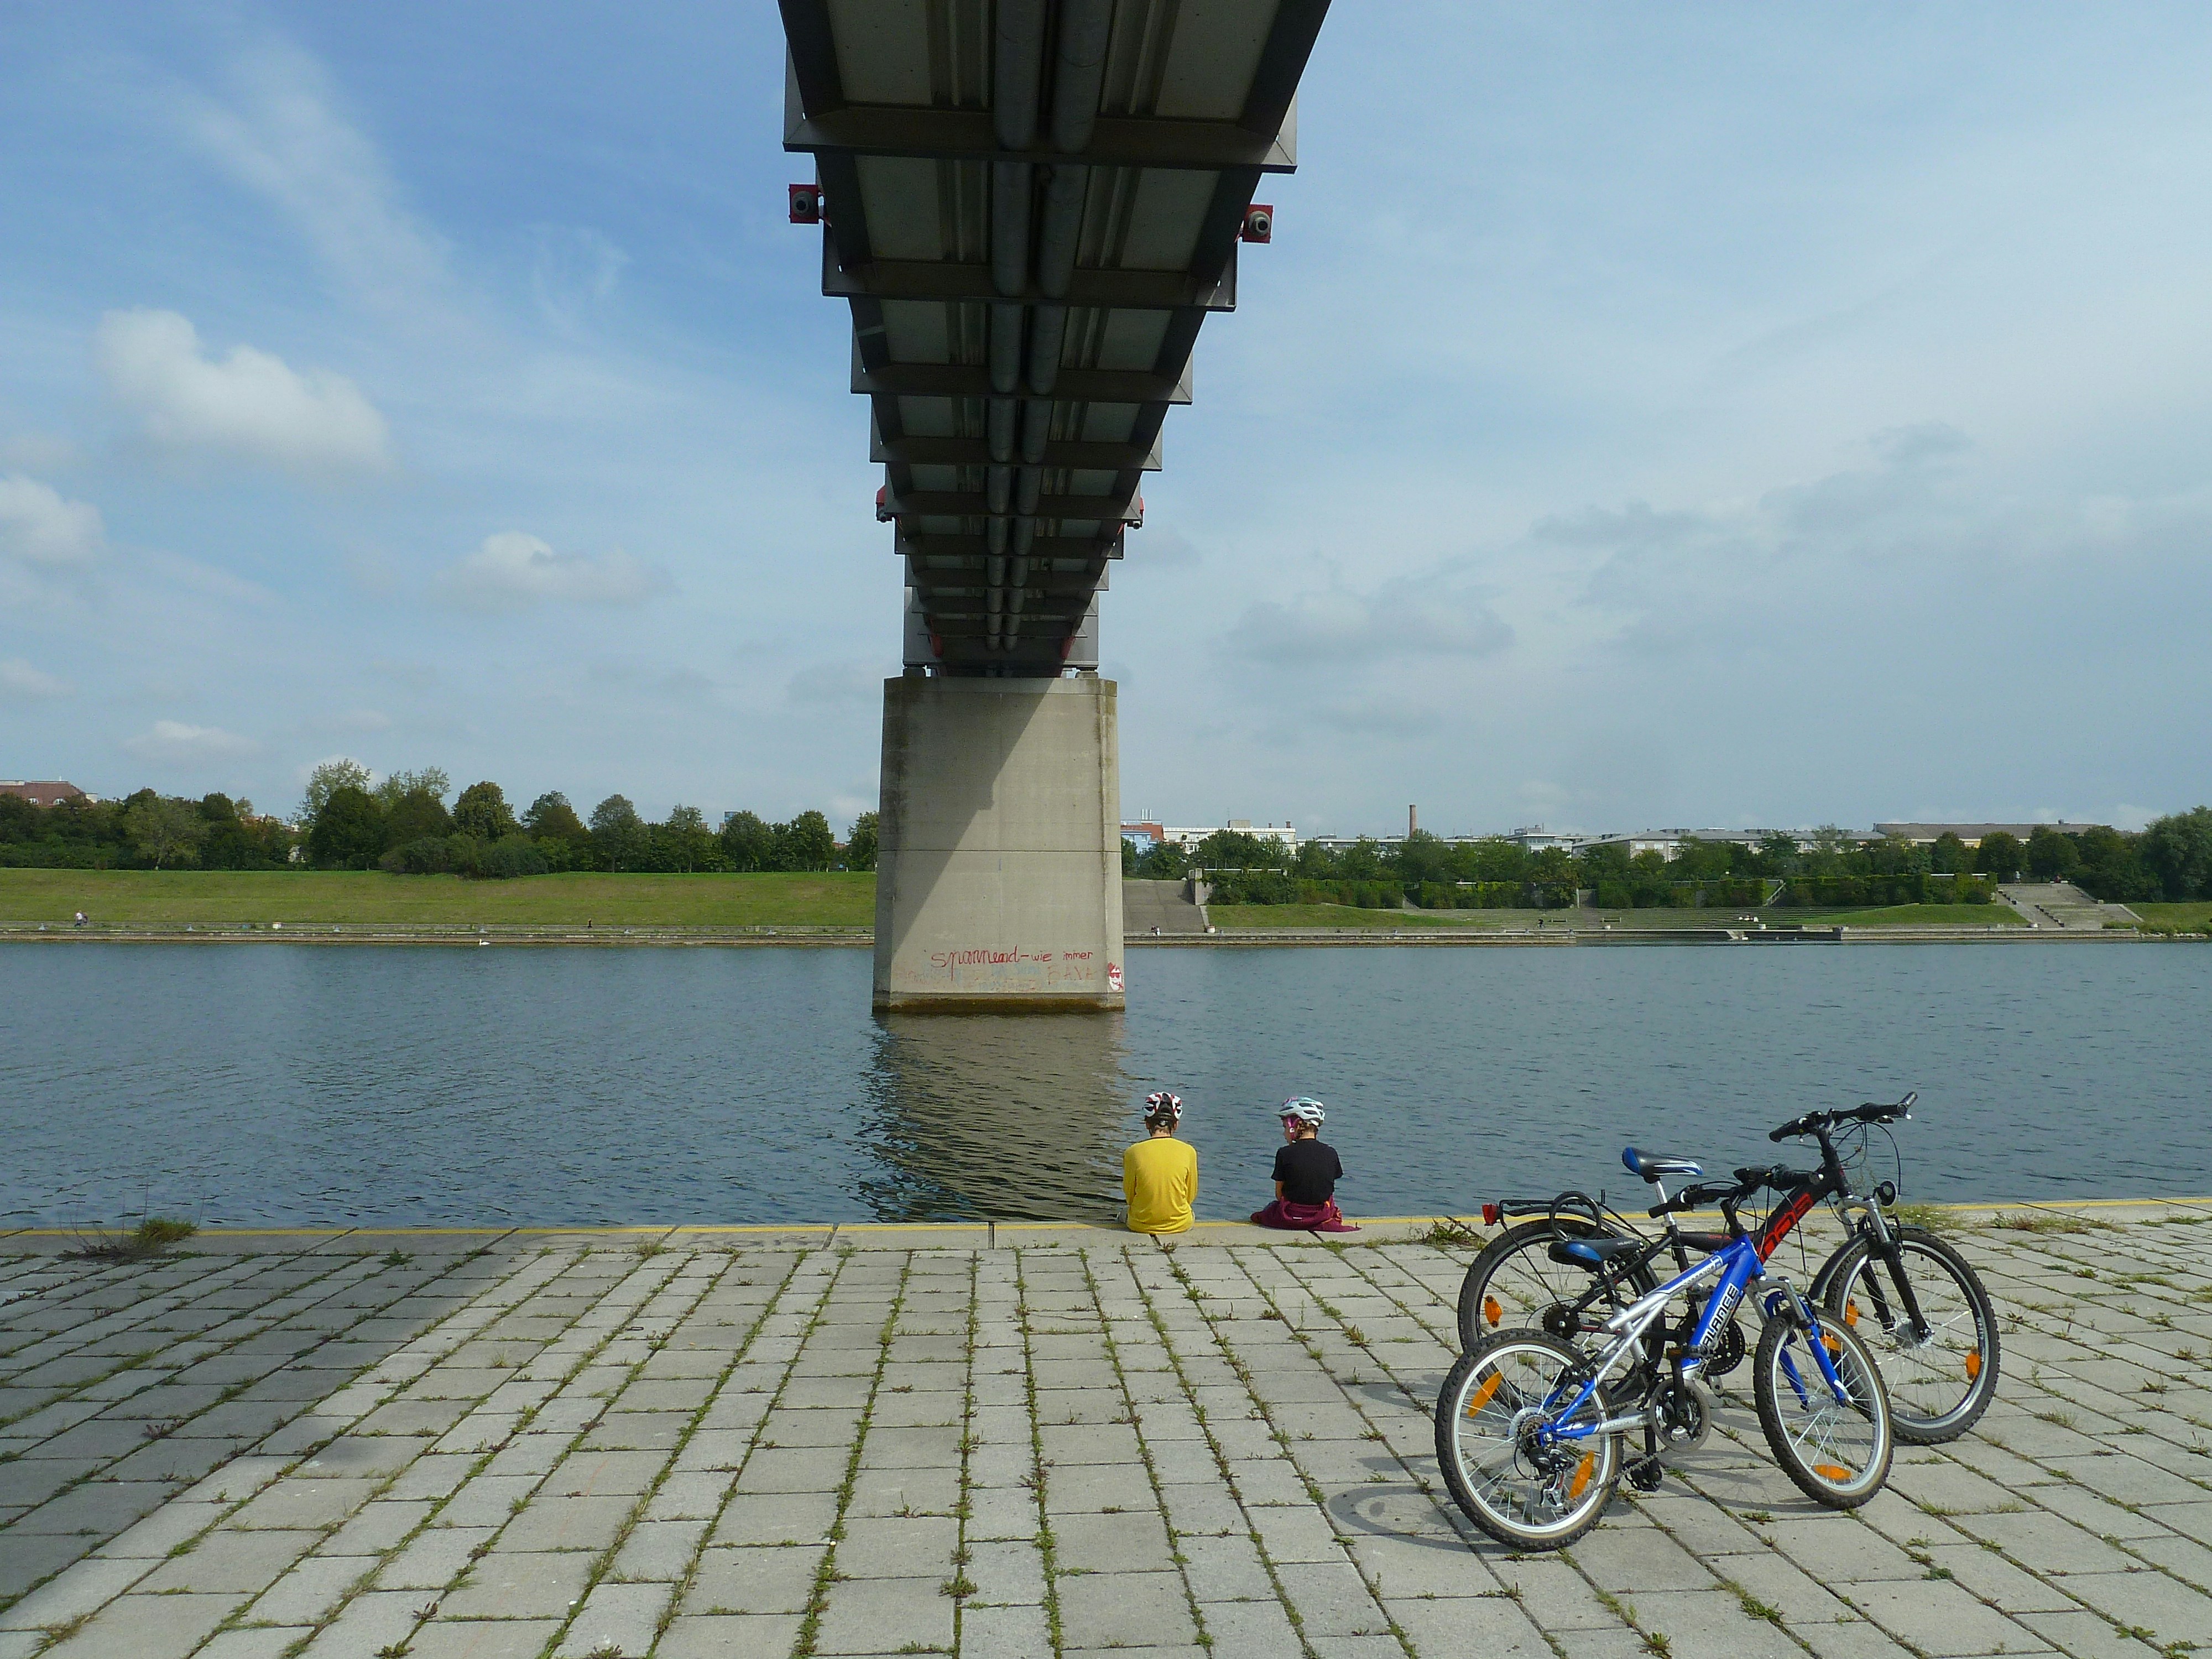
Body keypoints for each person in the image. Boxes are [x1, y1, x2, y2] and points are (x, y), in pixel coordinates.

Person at [1250, 1097, 1358, 1232]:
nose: (1284, 1133)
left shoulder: (1284, 1153)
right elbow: (1328, 1189)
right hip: (1320, 1214)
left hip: (1291, 1214)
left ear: (1294, 1126)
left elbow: (1279, 1195)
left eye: (1285, 1127)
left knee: (1267, 1210)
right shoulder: (1331, 1153)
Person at [1123, 1091, 1198, 1235]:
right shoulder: (1189, 1151)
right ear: (1175, 1125)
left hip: (1140, 1224)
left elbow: (1130, 1196)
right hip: (1180, 1224)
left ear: (1147, 1124)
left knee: (1124, 1213)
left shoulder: (1132, 1152)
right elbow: (1190, 1196)